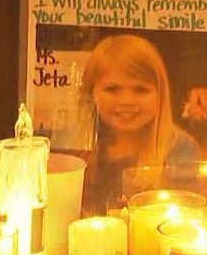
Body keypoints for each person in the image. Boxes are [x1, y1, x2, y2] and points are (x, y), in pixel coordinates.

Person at [78, 34, 200, 213]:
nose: (126, 100)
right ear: (90, 92)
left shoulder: (179, 149)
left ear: (161, 94)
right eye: (112, 89)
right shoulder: (79, 150)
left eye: (140, 90)